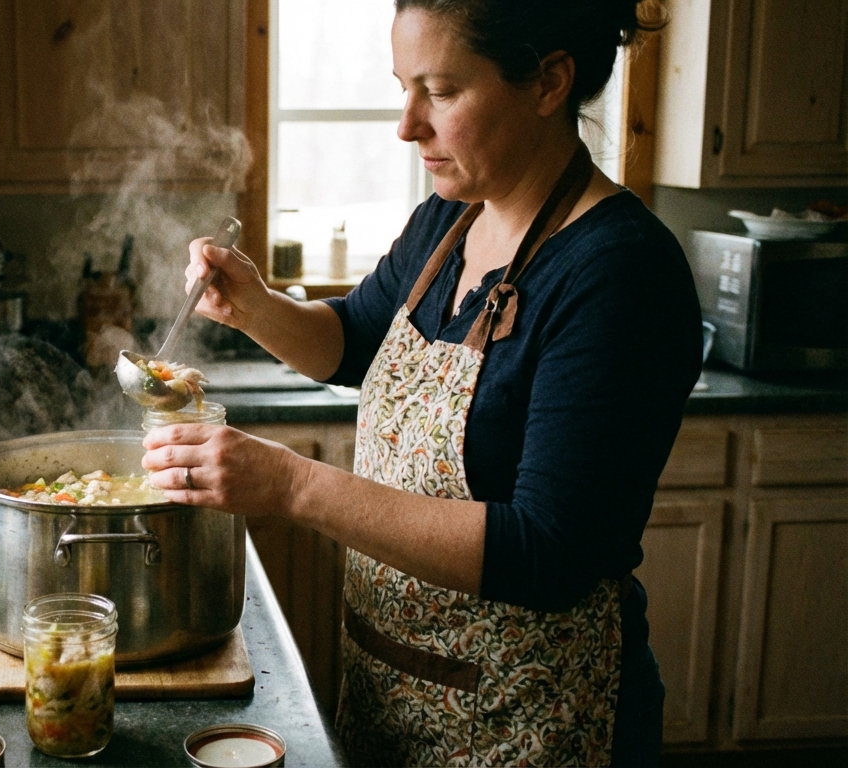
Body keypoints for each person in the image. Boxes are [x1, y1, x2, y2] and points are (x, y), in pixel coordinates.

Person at [141, 1, 702, 765]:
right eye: (403, 86)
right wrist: (256, 307)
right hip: (393, 693)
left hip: (527, 722)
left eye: (439, 91)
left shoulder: (621, 273)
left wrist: (294, 486)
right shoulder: (450, 222)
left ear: (548, 82)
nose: (406, 125)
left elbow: (548, 550)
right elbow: (352, 342)